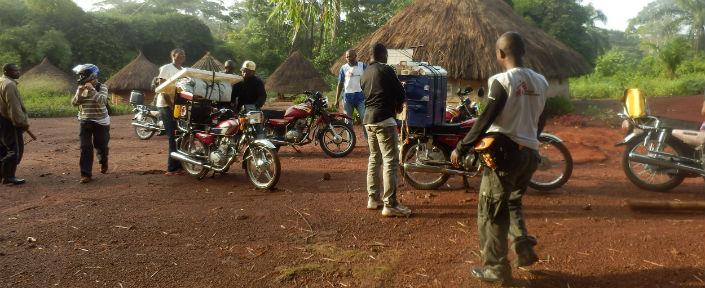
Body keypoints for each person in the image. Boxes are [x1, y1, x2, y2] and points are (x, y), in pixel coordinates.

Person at [450, 32, 547, 284]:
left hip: (504, 157)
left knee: (490, 212)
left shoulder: (502, 80)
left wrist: (461, 148)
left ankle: (495, 269)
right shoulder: (541, 82)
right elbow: (541, 119)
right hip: (530, 155)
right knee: (512, 202)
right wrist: (529, 141)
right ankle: (523, 246)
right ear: (522, 52)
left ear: (500, 54)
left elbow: (485, 119)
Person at [360, 43, 410, 217]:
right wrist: (396, 103)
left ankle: (372, 199)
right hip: (384, 120)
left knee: (374, 158)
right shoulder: (386, 69)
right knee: (390, 161)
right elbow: (401, 93)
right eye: (386, 55)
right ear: (382, 54)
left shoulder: (364, 73)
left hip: (368, 120)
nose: (387, 58)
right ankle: (390, 204)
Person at [71, 64, 110, 184]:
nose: (80, 77)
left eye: (82, 75)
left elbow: (103, 101)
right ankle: (86, 174)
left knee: (101, 145)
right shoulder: (81, 88)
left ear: (91, 76)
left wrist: (92, 90)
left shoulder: (101, 86)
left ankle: (103, 160)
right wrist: (80, 92)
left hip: (101, 121)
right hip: (85, 120)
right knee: (85, 147)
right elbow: (74, 103)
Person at [156, 48, 186, 176]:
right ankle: (171, 168)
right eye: (179, 55)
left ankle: (179, 166)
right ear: (173, 56)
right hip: (165, 105)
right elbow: (162, 88)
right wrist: (171, 106)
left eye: (183, 56)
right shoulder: (166, 68)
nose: (181, 57)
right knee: (172, 135)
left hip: (177, 106)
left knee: (180, 134)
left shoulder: (183, 71)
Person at [0, 63, 29, 185]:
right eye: (15, 71)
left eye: (18, 70)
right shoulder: (10, 84)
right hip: (9, 121)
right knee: (14, 150)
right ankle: (9, 176)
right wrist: (21, 123)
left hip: (1, 119)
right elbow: (14, 107)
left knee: (3, 148)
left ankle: (3, 175)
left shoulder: (2, 80)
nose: (18, 72)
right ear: (7, 72)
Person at [335, 49, 367, 138]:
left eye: (350, 56)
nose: (348, 58)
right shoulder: (343, 68)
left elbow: (369, 79)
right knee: (347, 121)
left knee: (364, 118)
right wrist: (336, 99)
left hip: (360, 97)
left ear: (355, 56)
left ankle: (369, 140)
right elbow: (340, 84)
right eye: (347, 57)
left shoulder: (362, 66)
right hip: (347, 98)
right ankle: (350, 141)